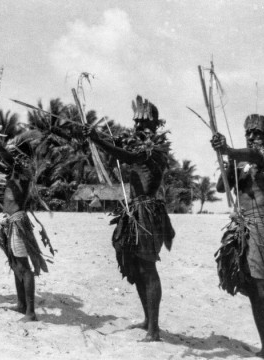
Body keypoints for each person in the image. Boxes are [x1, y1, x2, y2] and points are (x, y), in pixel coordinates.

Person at [82, 95, 175, 342]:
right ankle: (148, 321)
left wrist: (98, 139)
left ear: (155, 127)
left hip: (147, 212)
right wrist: (99, 141)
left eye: (144, 125)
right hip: (134, 211)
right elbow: (122, 156)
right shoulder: (138, 147)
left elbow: (130, 157)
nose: (138, 128)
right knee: (138, 269)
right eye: (136, 124)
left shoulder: (153, 150)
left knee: (148, 268)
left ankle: (154, 330)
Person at [212, 114, 264, 360]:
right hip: (241, 228)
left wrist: (227, 149)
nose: (251, 137)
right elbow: (220, 187)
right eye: (248, 133)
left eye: (257, 133)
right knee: (254, 291)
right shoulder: (242, 163)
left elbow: (255, 156)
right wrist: (228, 159)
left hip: (259, 227)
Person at [0, 129, 51, 322]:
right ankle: (22, 305)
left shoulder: (22, 169)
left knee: (24, 267)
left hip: (17, 222)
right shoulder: (14, 171)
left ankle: (30, 312)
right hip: (10, 221)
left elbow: (6, 157)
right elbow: (0, 160)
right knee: (15, 265)